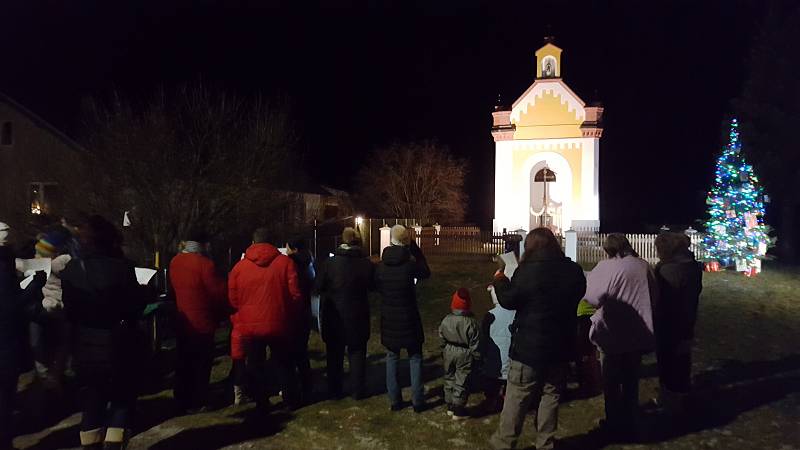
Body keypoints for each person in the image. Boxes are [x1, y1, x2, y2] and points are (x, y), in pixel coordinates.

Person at [488, 228, 586, 450]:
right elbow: (578, 292)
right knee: (550, 396)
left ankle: (505, 443)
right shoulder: (572, 270)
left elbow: (508, 300)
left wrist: (500, 279)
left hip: (528, 348)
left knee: (517, 397)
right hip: (560, 347)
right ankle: (545, 443)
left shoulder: (527, 271)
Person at [60, 215, 147, 450]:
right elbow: (133, 308)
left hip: (84, 347)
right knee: (121, 400)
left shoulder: (71, 269)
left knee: (91, 404)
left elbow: (69, 312)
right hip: (118, 344)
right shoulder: (123, 268)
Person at [584, 233, 657, 442]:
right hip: (637, 330)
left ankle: (614, 422)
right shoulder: (643, 265)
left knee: (611, 380)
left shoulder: (606, 267)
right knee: (631, 379)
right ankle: (631, 420)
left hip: (612, 330)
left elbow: (592, 296)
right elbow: (654, 294)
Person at [228, 227, 303, 410]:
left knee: (255, 364)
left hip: (251, 326)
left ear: (252, 243)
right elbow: (295, 295)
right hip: (279, 322)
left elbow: (233, 298)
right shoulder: (285, 263)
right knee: (284, 363)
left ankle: (261, 401)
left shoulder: (239, 268)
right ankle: (289, 399)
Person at [0, 222, 48, 450]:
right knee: (5, 398)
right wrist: (36, 284)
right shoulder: (2, 267)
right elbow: (12, 305)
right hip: (5, 345)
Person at [168, 232, 227, 413]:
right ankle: (199, 400)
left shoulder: (175, 262)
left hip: (182, 319)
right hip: (202, 321)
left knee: (183, 360)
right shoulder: (205, 265)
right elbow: (217, 293)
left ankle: (181, 398)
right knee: (202, 363)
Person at [374, 224, 430, 412]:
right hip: (409, 317)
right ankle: (417, 400)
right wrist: (415, 249)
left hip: (389, 318)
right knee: (415, 357)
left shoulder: (381, 267)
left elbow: (377, 286)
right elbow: (425, 272)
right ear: (405, 242)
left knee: (392, 358)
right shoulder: (409, 266)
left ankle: (394, 400)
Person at [314, 228, 373, 400]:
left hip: (335, 316)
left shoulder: (330, 264)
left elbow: (318, 286)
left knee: (334, 354)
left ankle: (334, 389)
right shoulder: (365, 264)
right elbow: (373, 285)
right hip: (358, 315)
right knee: (357, 353)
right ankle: (358, 390)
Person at [653, 232, 702, 414]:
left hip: (669, 322)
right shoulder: (692, 266)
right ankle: (680, 396)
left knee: (668, 361)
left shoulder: (669, 270)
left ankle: (670, 401)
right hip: (686, 320)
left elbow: (662, 298)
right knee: (682, 359)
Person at [439, 288, 480, 420]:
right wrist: (477, 356)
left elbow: (441, 335)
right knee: (461, 380)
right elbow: (475, 342)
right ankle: (458, 408)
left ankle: (449, 403)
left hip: (449, 350)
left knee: (449, 376)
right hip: (464, 353)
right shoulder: (471, 323)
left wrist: (443, 349)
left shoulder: (446, 319)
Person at [286, 237, 315, 402]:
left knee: (288, 354)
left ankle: (291, 389)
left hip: (293, 311)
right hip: (305, 310)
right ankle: (307, 385)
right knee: (302, 352)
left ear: (293, 248)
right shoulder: (309, 260)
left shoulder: (290, 264)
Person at [480, 284, 516, 413]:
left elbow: (484, 338)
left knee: (492, 382)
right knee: (508, 382)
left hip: (492, 362)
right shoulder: (515, 314)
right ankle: (507, 400)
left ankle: (491, 400)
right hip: (510, 361)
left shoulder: (490, 315)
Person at [574, 298, 601, 398]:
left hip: (584, 312)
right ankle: (590, 385)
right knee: (587, 351)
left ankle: (591, 386)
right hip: (589, 311)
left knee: (586, 352)